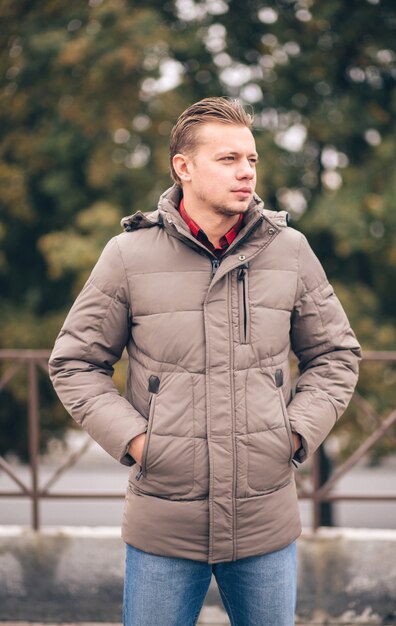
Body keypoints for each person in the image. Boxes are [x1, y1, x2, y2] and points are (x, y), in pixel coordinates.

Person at [49, 97, 361, 626]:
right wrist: (141, 443)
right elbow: (75, 362)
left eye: (252, 160)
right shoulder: (128, 255)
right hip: (164, 520)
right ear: (183, 167)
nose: (246, 173)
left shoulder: (290, 250)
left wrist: (290, 435)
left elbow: (336, 355)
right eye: (228, 159)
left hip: (265, 518)